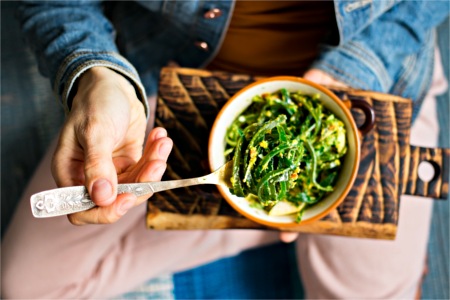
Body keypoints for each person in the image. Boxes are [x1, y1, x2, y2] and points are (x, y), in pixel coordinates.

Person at [2, 0, 449, 298]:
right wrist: (95, 73)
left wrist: (355, 69)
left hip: (364, 88)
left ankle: (245, 216)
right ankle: (256, 218)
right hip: (174, 80)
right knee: (24, 287)